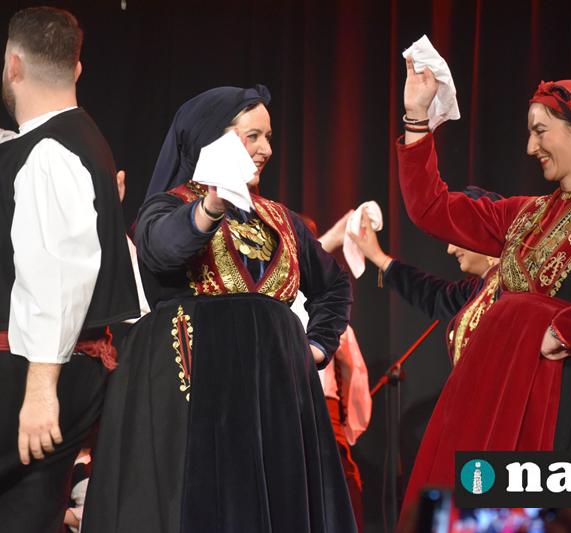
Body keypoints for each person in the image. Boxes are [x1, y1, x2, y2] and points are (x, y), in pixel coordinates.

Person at [397, 56, 571, 515]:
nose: (530, 146)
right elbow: (431, 209)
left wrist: (566, 328)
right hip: (498, 385)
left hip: (556, 391)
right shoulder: (524, 213)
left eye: (540, 131)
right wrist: (416, 116)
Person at [82, 86, 356, 532]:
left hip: (274, 402)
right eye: (253, 136)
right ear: (213, 140)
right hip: (196, 396)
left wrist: (315, 348)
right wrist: (210, 206)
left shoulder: (281, 219)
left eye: (268, 137)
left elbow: (335, 286)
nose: (266, 149)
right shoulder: (168, 206)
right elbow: (162, 252)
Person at [0, 8, 138, 532]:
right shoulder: (74, 142)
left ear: (13, 66)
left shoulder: (50, 152)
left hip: (32, 374)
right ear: (77, 69)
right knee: (26, 512)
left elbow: (58, 277)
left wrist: (41, 389)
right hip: (63, 371)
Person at [347, 186, 502, 364]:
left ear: (484, 232)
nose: (450, 249)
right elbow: (434, 294)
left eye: (457, 238)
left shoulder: (516, 288)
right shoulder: (477, 289)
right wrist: (378, 257)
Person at [292, 213, 372, 532]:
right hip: (301, 408)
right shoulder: (275, 299)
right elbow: (355, 375)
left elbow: (353, 373)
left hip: (321, 410)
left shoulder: (326, 314)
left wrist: (346, 426)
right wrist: (350, 426)